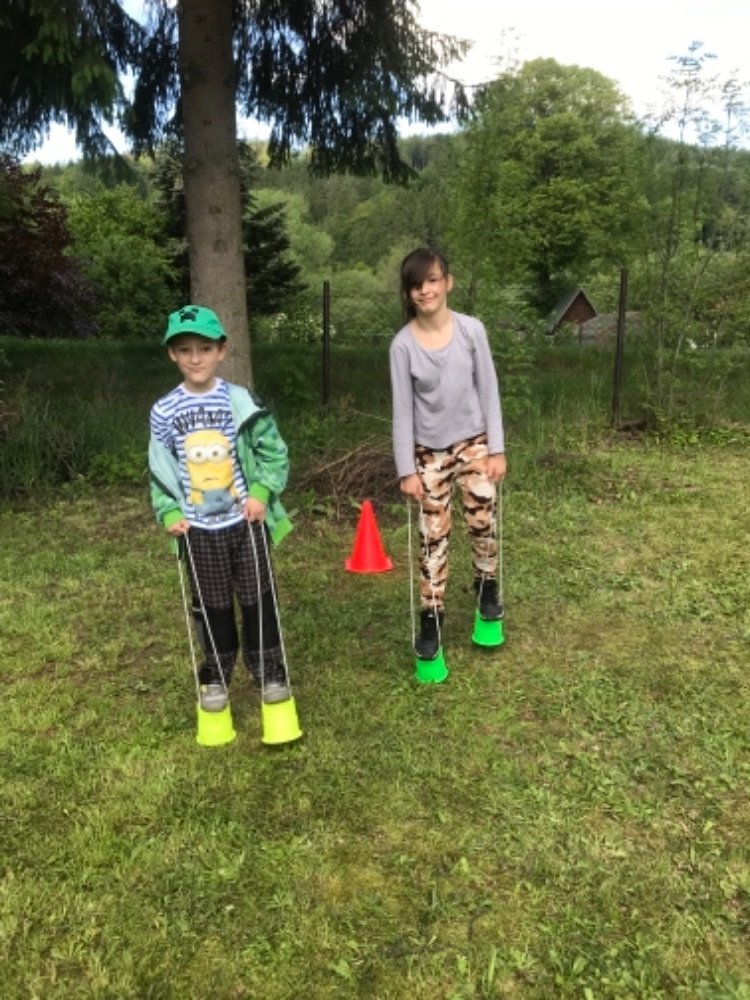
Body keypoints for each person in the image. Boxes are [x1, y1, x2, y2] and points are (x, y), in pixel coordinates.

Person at [148, 304, 293, 711]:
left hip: (245, 523)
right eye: (185, 350)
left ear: (221, 351)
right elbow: (160, 468)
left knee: (258, 598)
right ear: (172, 354)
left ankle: (269, 671)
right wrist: (169, 511)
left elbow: (273, 451)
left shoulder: (241, 401)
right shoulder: (164, 411)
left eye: (205, 348)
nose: (195, 358)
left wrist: (261, 492)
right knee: (212, 605)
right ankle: (216, 673)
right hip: (198, 531)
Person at [389, 248, 507, 660]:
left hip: (475, 444)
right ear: (408, 293)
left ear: (448, 283)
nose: (426, 291)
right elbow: (402, 411)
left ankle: (486, 585)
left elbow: (489, 389)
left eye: (433, 281)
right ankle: (431, 614)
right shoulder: (402, 346)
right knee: (433, 535)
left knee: (482, 517)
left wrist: (497, 449)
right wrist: (407, 470)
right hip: (429, 454)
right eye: (417, 285)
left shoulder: (472, 331)